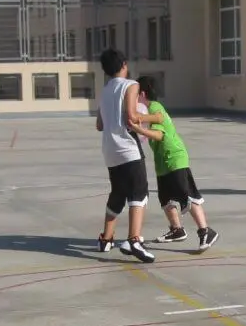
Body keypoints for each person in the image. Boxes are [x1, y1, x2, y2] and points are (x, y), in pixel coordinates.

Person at [129, 76, 219, 252]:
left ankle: (206, 231)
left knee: (187, 194)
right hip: (163, 161)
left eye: (135, 94)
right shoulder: (148, 110)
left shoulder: (155, 107)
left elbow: (159, 135)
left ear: (142, 94)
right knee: (166, 199)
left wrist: (138, 128)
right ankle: (177, 230)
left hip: (174, 157)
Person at [94, 49, 156, 263]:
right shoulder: (131, 85)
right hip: (128, 148)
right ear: (123, 64)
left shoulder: (105, 90)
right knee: (139, 192)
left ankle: (106, 238)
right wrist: (153, 116)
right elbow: (131, 116)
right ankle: (134, 239)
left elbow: (99, 125)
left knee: (118, 193)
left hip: (109, 150)